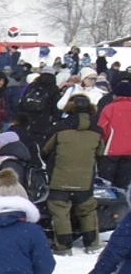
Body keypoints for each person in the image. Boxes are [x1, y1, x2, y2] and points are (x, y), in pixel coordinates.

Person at [43, 103, 102, 252]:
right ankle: (92, 243)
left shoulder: (59, 129)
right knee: (87, 210)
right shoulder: (97, 131)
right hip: (85, 179)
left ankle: (63, 245)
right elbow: (100, 153)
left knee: (60, 211)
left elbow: (45, 150)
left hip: (59, 178)